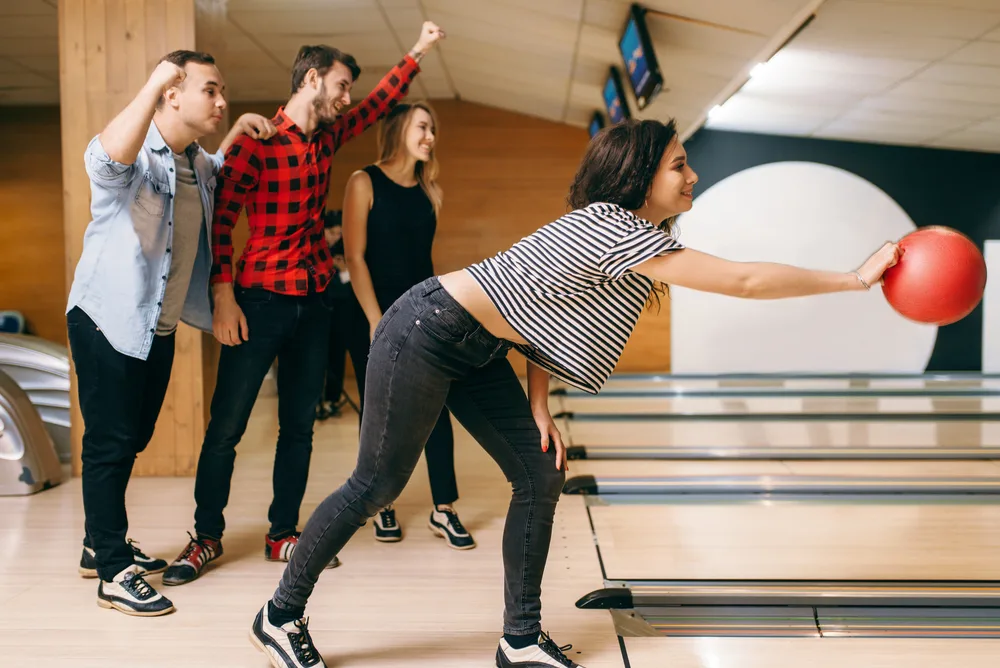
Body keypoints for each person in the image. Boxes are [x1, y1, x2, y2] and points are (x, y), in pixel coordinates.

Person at [248, 117, 900, 667]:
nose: (691, 175)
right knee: (376, 485)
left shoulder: (622, 235)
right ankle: (280, 613)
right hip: (424, 329)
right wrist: (853, 279)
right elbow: (746, 282)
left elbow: (547, 312)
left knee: (540, 468)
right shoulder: (616, 228)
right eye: (680, 165)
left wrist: (538, 402)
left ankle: (520, 638)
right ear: (642, 174)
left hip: (477, 343)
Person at [162, 21, 447, 587]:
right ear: (312, 78)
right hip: (258, 301)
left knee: (299, 428)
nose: (347, 100)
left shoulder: (326, 139)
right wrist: (223, 294)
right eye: (341, 86)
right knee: (227, 427)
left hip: (314, 301)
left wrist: (416, 52)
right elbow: (223, 220)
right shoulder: (255, 140)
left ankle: (282, 533)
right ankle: (206, 536)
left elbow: (379, 103)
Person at [66, 49, 276, 617]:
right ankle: (112, 569)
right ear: (173, 94)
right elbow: (104, 163)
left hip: (153, 327)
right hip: (106, 318)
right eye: (211, 90)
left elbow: (219, 171)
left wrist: (231, 132)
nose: (222, 99)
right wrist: (154, 75)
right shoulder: (137, 156)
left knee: (132, 438)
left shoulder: (195, 164)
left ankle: (96, 541)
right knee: (110, 443)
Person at [342, 101, 474, 549]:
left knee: (437, 407)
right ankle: (380, 505)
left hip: (424, 313)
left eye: (433, 129)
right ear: (399, 129)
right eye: (423, 127)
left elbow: (422, 261)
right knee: (381, 414)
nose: (430, 136)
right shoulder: (364, 182)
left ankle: (445, 508)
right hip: (374, 313)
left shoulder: (428, 188)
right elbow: (355, 257)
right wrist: (378, 321)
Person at [315, 210, 354, 421]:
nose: (335, 237)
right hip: (317, 312)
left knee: (337, 355)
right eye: (332, 232)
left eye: (339, 233)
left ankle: (332, 399)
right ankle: (315, 401)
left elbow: (345, 287)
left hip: (338, 313)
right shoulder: (313, 250)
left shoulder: (342, 250)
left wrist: (342, 271)